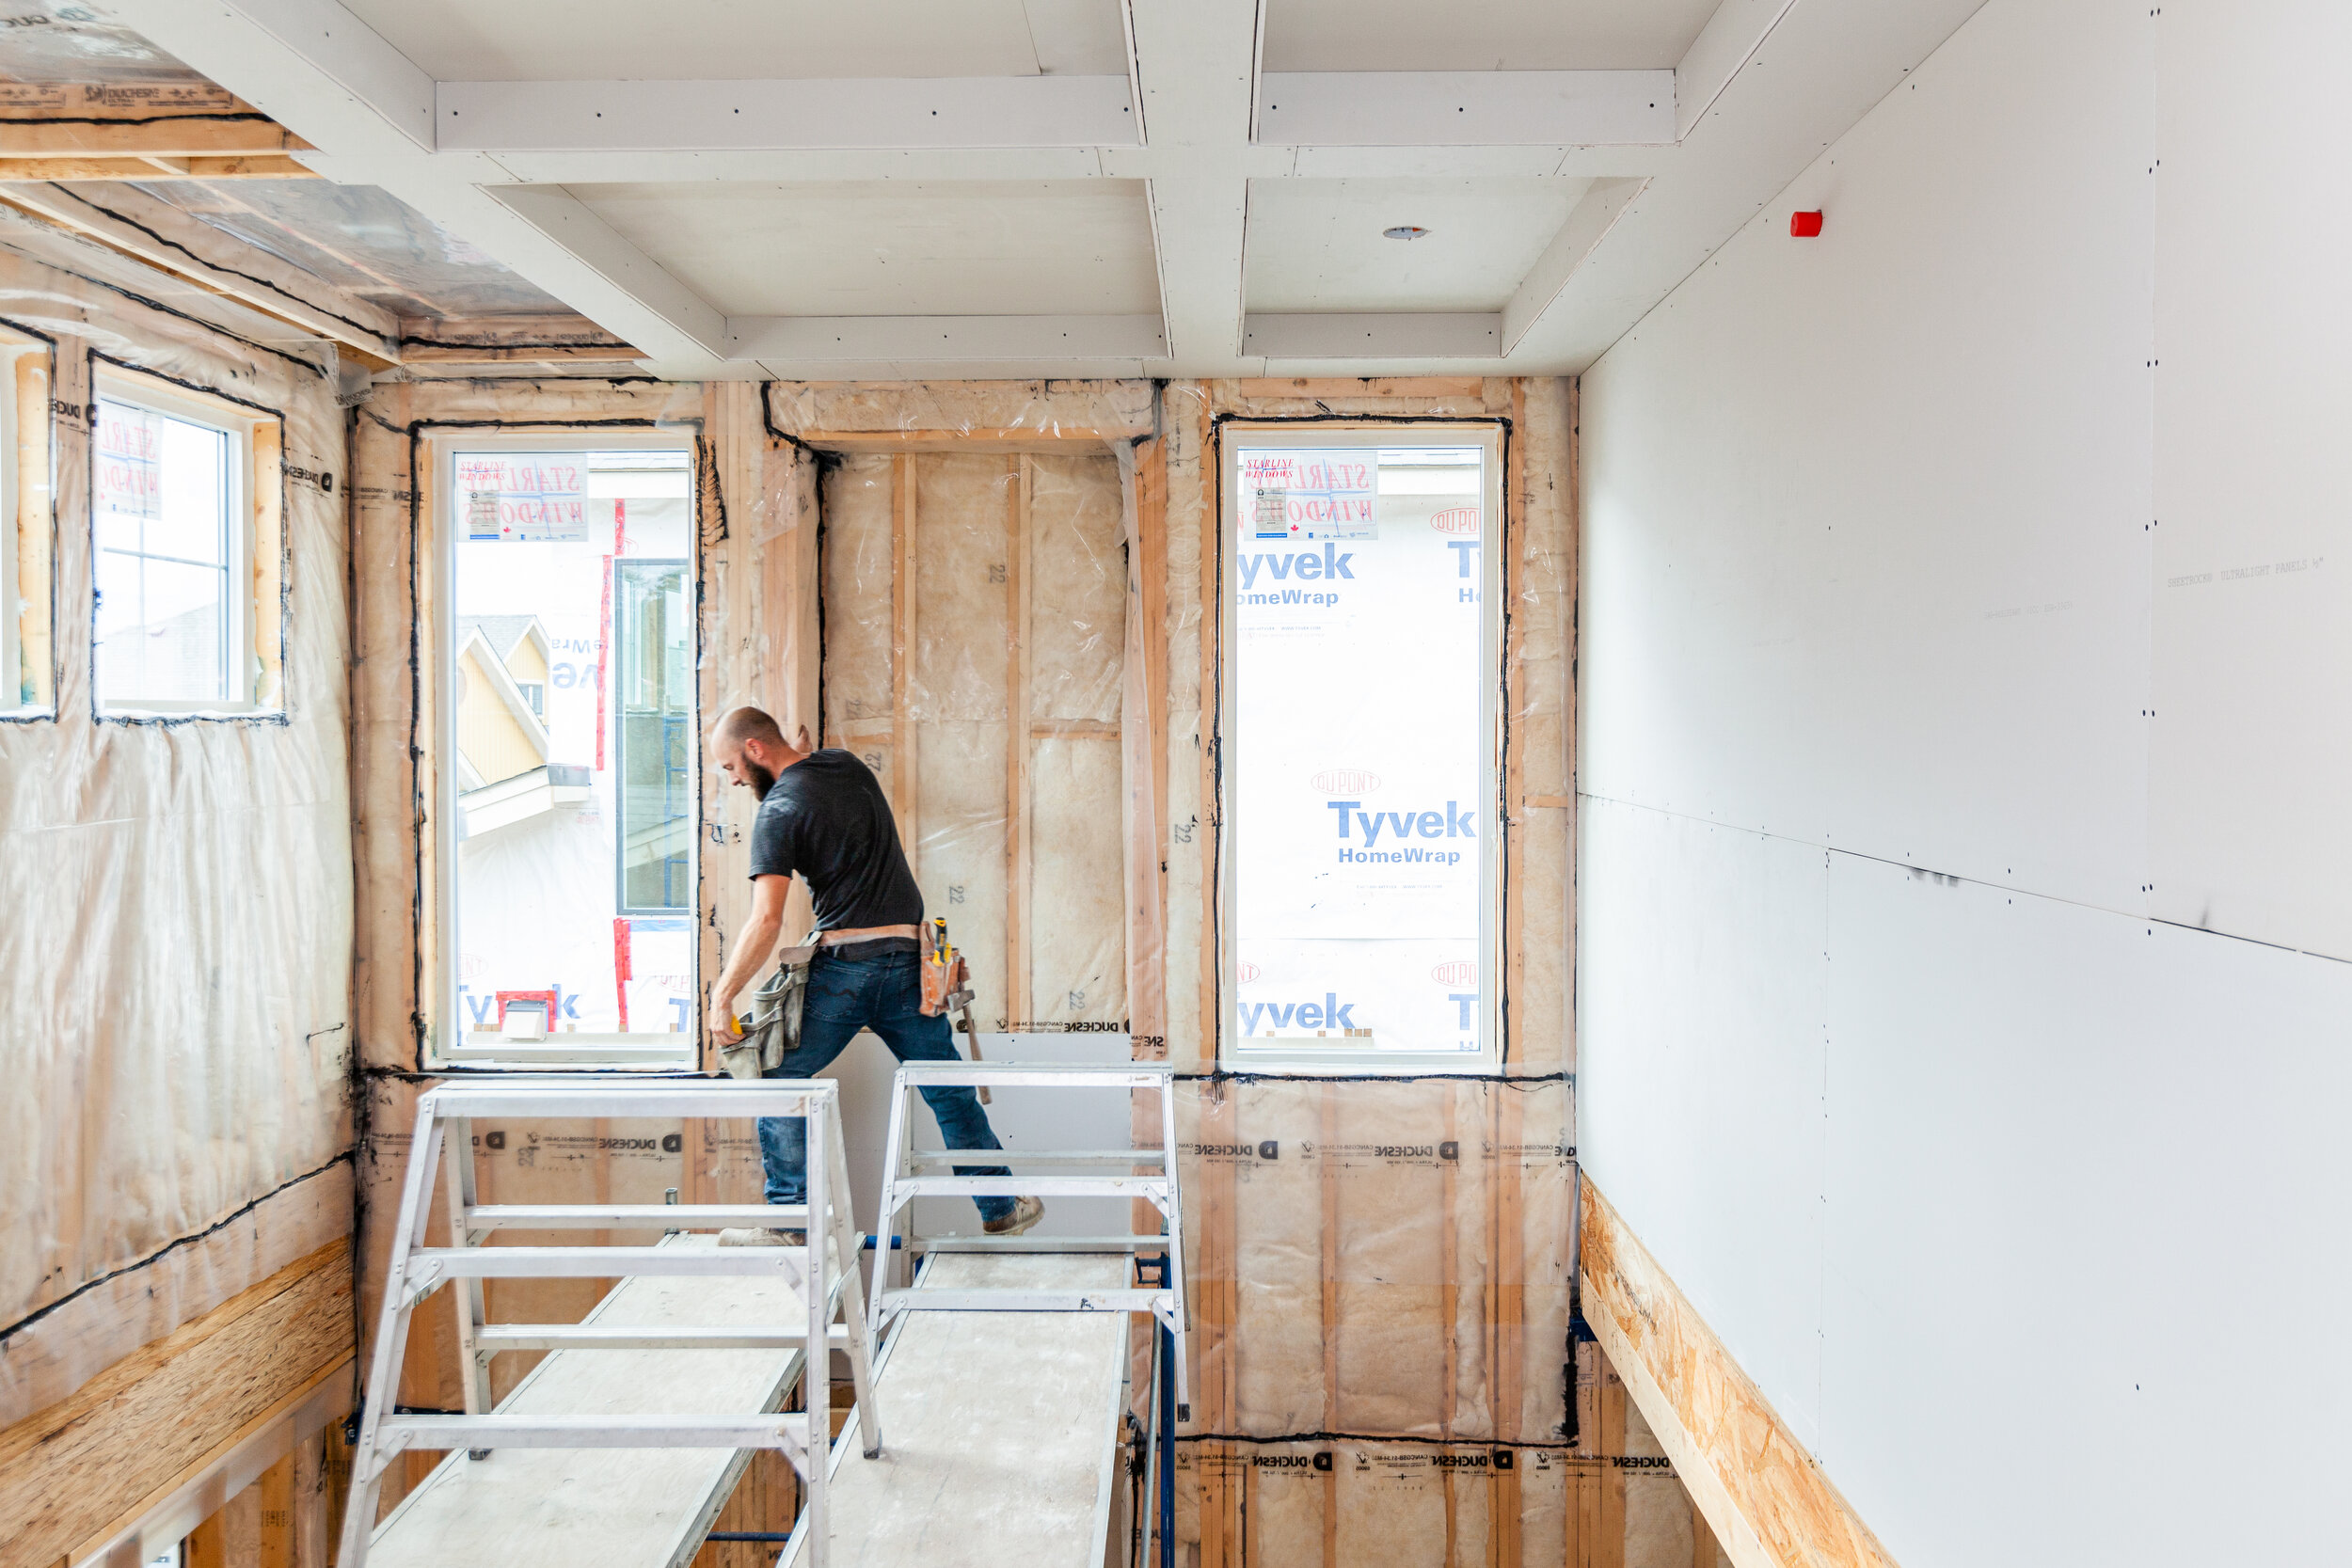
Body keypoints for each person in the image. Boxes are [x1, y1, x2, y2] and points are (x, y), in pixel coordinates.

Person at [704, 705, 1042, 1243]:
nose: (736, 779)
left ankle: (793, 1222)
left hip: (846, 971)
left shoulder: (779, 810)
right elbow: (810, 761)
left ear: (754, 749)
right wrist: (798, 746)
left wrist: (723, 997)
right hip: (909, 966)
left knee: (773, 1079)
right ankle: (1001, 1204)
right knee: (947, 1091)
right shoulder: (847, 767)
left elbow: (767, 918)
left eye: (731, 767)